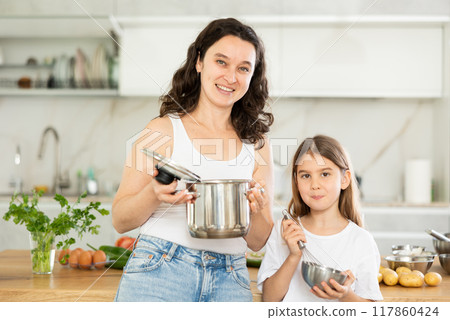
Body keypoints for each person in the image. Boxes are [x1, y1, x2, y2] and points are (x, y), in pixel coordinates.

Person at [112, 18, 274, 302]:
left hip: (230, 277)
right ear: (199, 62)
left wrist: (257, 210)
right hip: (160, 269)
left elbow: (258, 241)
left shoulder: (258, 144)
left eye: (243, 68)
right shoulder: (161, 130)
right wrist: (154, 194)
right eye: (221, 62)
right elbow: (120, 219)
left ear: (252, 76)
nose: (231, 77)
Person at [257, 135, 383, 302]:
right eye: (305, 176)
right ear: (296, 180)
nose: (314, 185)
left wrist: (345, 295)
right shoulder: (284, 231)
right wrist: (293, 256)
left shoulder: (361, 240)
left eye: (324, 174)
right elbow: (269, 299)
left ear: (344, 179)